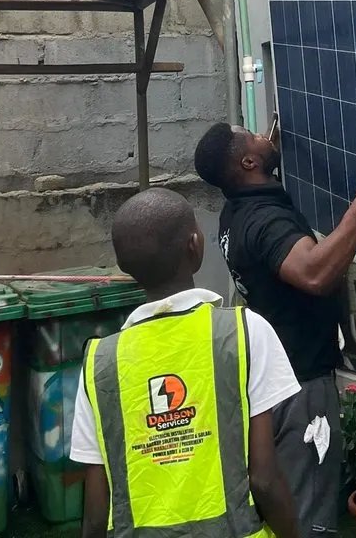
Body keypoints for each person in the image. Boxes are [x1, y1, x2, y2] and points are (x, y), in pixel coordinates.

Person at [194, 123, 356, 537]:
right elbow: (314, 273)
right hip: (301, 387)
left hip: (275, 377)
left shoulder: (237, 208)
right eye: (251, 136)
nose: (262, 135)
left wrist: (265, 149)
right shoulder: (263, 221)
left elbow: (254, 159)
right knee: (307, 508)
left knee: (283, 499)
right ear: (248, 162)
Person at [69, 187, 302, 538]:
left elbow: (96, 512)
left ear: (122, 266)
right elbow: (265, 480)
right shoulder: (243, 332)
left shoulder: (100, 362)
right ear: (195, 246)